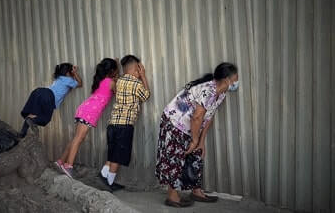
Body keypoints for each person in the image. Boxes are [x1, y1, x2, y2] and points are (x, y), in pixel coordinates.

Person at [155, 63, 239, 207]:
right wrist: (194, 139)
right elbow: (197, 117)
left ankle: (196, 191)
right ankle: (172, 197)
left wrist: (200, 141)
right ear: (226, 80)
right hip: (174, 122)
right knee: (174, 157)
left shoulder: (221, 93)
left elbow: (208, 116)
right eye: (235, 79)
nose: (236, 83)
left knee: (196, 154)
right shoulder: (209, 91)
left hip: (190, 125)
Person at [56, 58, 119, 178]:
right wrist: (117, 75)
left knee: (76, 138)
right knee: (79, 139)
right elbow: (117, 92)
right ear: (112, 71)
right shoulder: (111, 82)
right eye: (116, 69)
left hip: (85, 108)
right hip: (90, 112)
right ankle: (68, 166)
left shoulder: (100, 80)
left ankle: (60, 162)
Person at [98, 55, 150, 191]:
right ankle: (108, 182)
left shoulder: (119, 81)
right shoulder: (137, 83)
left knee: (112, 152)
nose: (140, 72)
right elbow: (146, 96)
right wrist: (143, 77)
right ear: (136, 70)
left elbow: (115, 90)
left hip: (112, 124)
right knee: (118, 156)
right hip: (125, 126)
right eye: (139, 70)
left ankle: (105, 175)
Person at [18, 63, 82, 138]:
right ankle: (32, 121)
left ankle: (22, 134)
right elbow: (80, 84)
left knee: (32, 115)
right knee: (45, 119)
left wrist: (72, 73)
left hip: (38, 92)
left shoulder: (59, 78)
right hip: (48, 96)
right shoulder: (68, 80)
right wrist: (75, 73)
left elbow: (69, 87)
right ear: (68, 73)